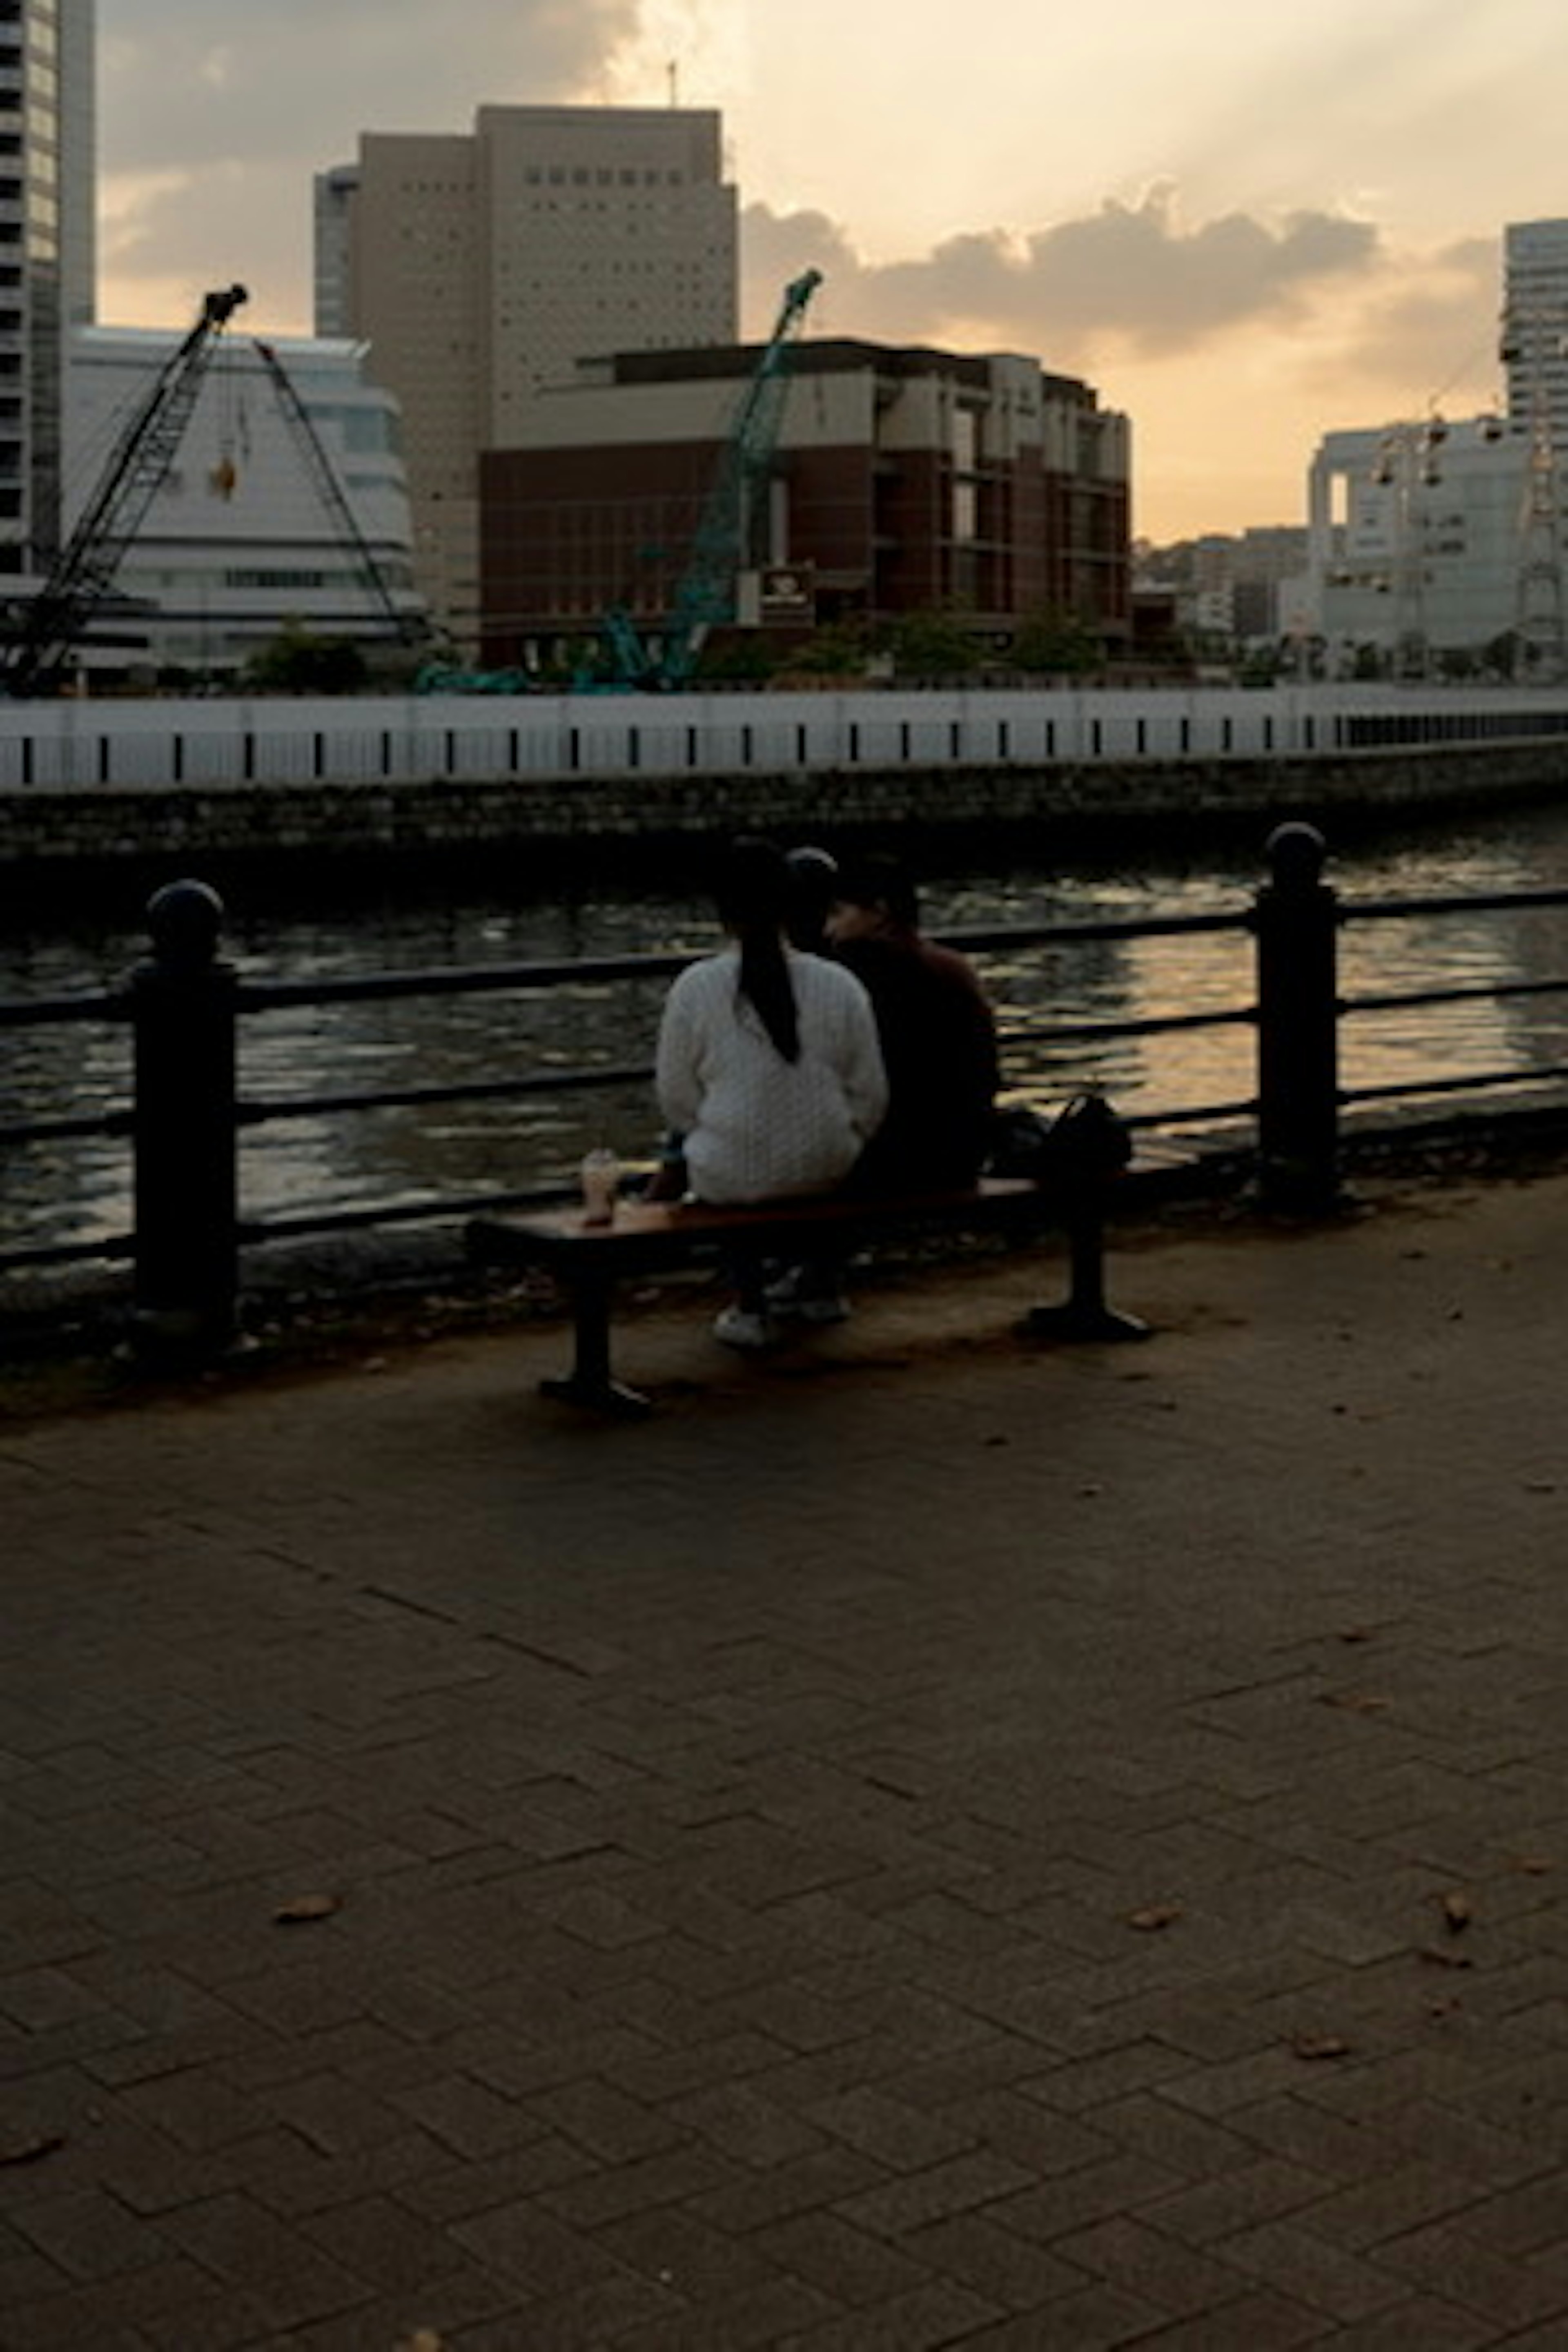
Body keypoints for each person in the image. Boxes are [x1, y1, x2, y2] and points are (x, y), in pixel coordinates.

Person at [654, 836, 888, 1349]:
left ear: (722, 912)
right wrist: (843, 1133)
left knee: (737, 1160)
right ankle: (821, 1286)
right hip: (829, 1166)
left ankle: (750, 1306)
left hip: (730, 1172)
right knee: (807, 1149)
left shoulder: (697, 986)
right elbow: (871, 1095)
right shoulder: (839, 984)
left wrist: (713, 1129)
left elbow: (675, 1098)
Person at [766, 855, 1002, 1323]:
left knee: (789, 1146)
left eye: (839, 913)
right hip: (961, 1152)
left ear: (878, 911)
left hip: (901, 1159)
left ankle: (805, 1278)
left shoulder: (859, 972)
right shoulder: (953, 967)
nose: (829, 928)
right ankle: (814, 1272)